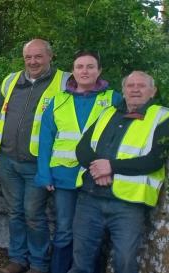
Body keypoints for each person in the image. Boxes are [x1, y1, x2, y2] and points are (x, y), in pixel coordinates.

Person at [0, 39, 70, 273]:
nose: (33, 61)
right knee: (15, 212)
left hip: (39, 163)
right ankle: (18, 259)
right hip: (9, 159)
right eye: (28, 57)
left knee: (33, 214)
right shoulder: (12, 80)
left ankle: (39, 264)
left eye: (38, 56)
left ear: (50, 57)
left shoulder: (64, 81)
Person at [70, 71, 167, 273]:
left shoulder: (162, 117)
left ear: (153, 91)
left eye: (141, 86)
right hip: (90, 196)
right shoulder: (107, 113)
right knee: (81, 259)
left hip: (128, 204)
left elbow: (154, 160)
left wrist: (111, 167)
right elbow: (82, 148)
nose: (135, 90)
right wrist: (99, 168)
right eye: (130, 86)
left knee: (124, 262)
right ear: (123, 90)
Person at [36, 51, 120, 273]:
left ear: (99, 71)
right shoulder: (59, 100)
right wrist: (44, 173)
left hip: (96, 177)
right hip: (63, 176)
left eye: (90, 67)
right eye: (80, 67)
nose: (85, 71)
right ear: (72, 71)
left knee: (92, 232)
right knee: (64, 229)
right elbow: (45, 140)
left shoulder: (113, 99)